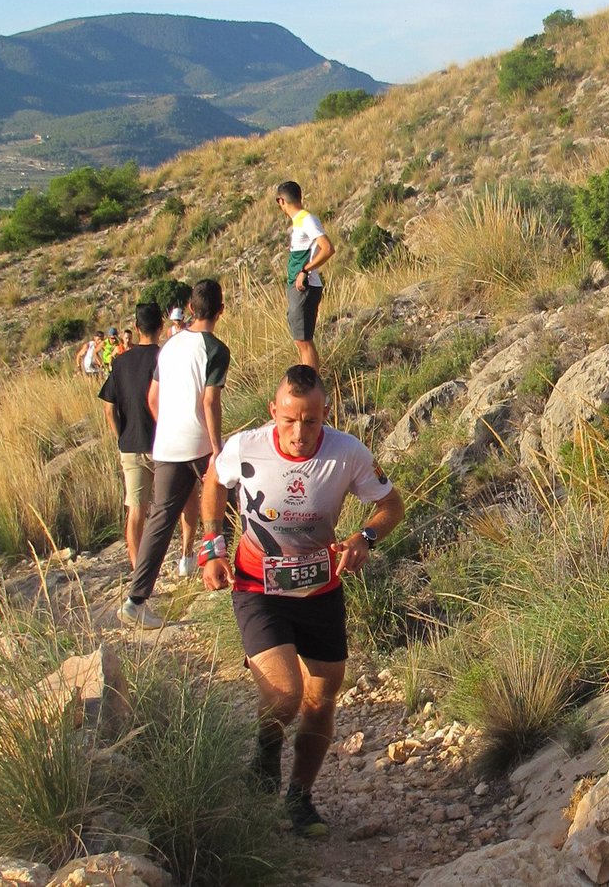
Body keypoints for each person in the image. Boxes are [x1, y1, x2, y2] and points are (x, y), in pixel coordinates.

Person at [199, 364, 404, 839]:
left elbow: (391, 506)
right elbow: (213, 480)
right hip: (258, 587)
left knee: (320, 698)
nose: (299, 432)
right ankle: (266, 750)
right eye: (289, 419)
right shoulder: (246, 447)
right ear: (273, 411)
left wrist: (365, 538)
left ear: (325, 414)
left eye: (310, 421)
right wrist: (212, 546)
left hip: (320, 590)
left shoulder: (347, 452)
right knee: (285, 694)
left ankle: (300, 797)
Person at [119, 279, 230, 629]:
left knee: (160, 520)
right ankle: (229, 577)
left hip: (166, 445)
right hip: (199, 444)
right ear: (221, 310)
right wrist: (216, 447)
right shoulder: (215, 349)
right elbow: (210, 401)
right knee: (226, 504)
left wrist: (168, 426)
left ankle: (136, 600)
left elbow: (152, 398)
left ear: (191, 309)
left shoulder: (168, 348)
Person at [100, 303, 198, 571]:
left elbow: (109, 408)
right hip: (166, 444)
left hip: (131, 443)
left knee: (136, 509)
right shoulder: (167, 357)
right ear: (161, 326)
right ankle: (187, 556)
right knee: (186, 496)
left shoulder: (120, 362)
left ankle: (138, 570)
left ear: (136, 327)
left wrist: (121, 437)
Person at [275, 181, 335, 372]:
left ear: (281, 201)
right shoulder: (300, 221)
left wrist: (305, 271)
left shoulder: (307, 220)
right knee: (300, 341)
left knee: (304, 341)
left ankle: (310, 384)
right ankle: (308, 382)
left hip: (305, 287)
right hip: (298, 287)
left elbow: (327, 248)